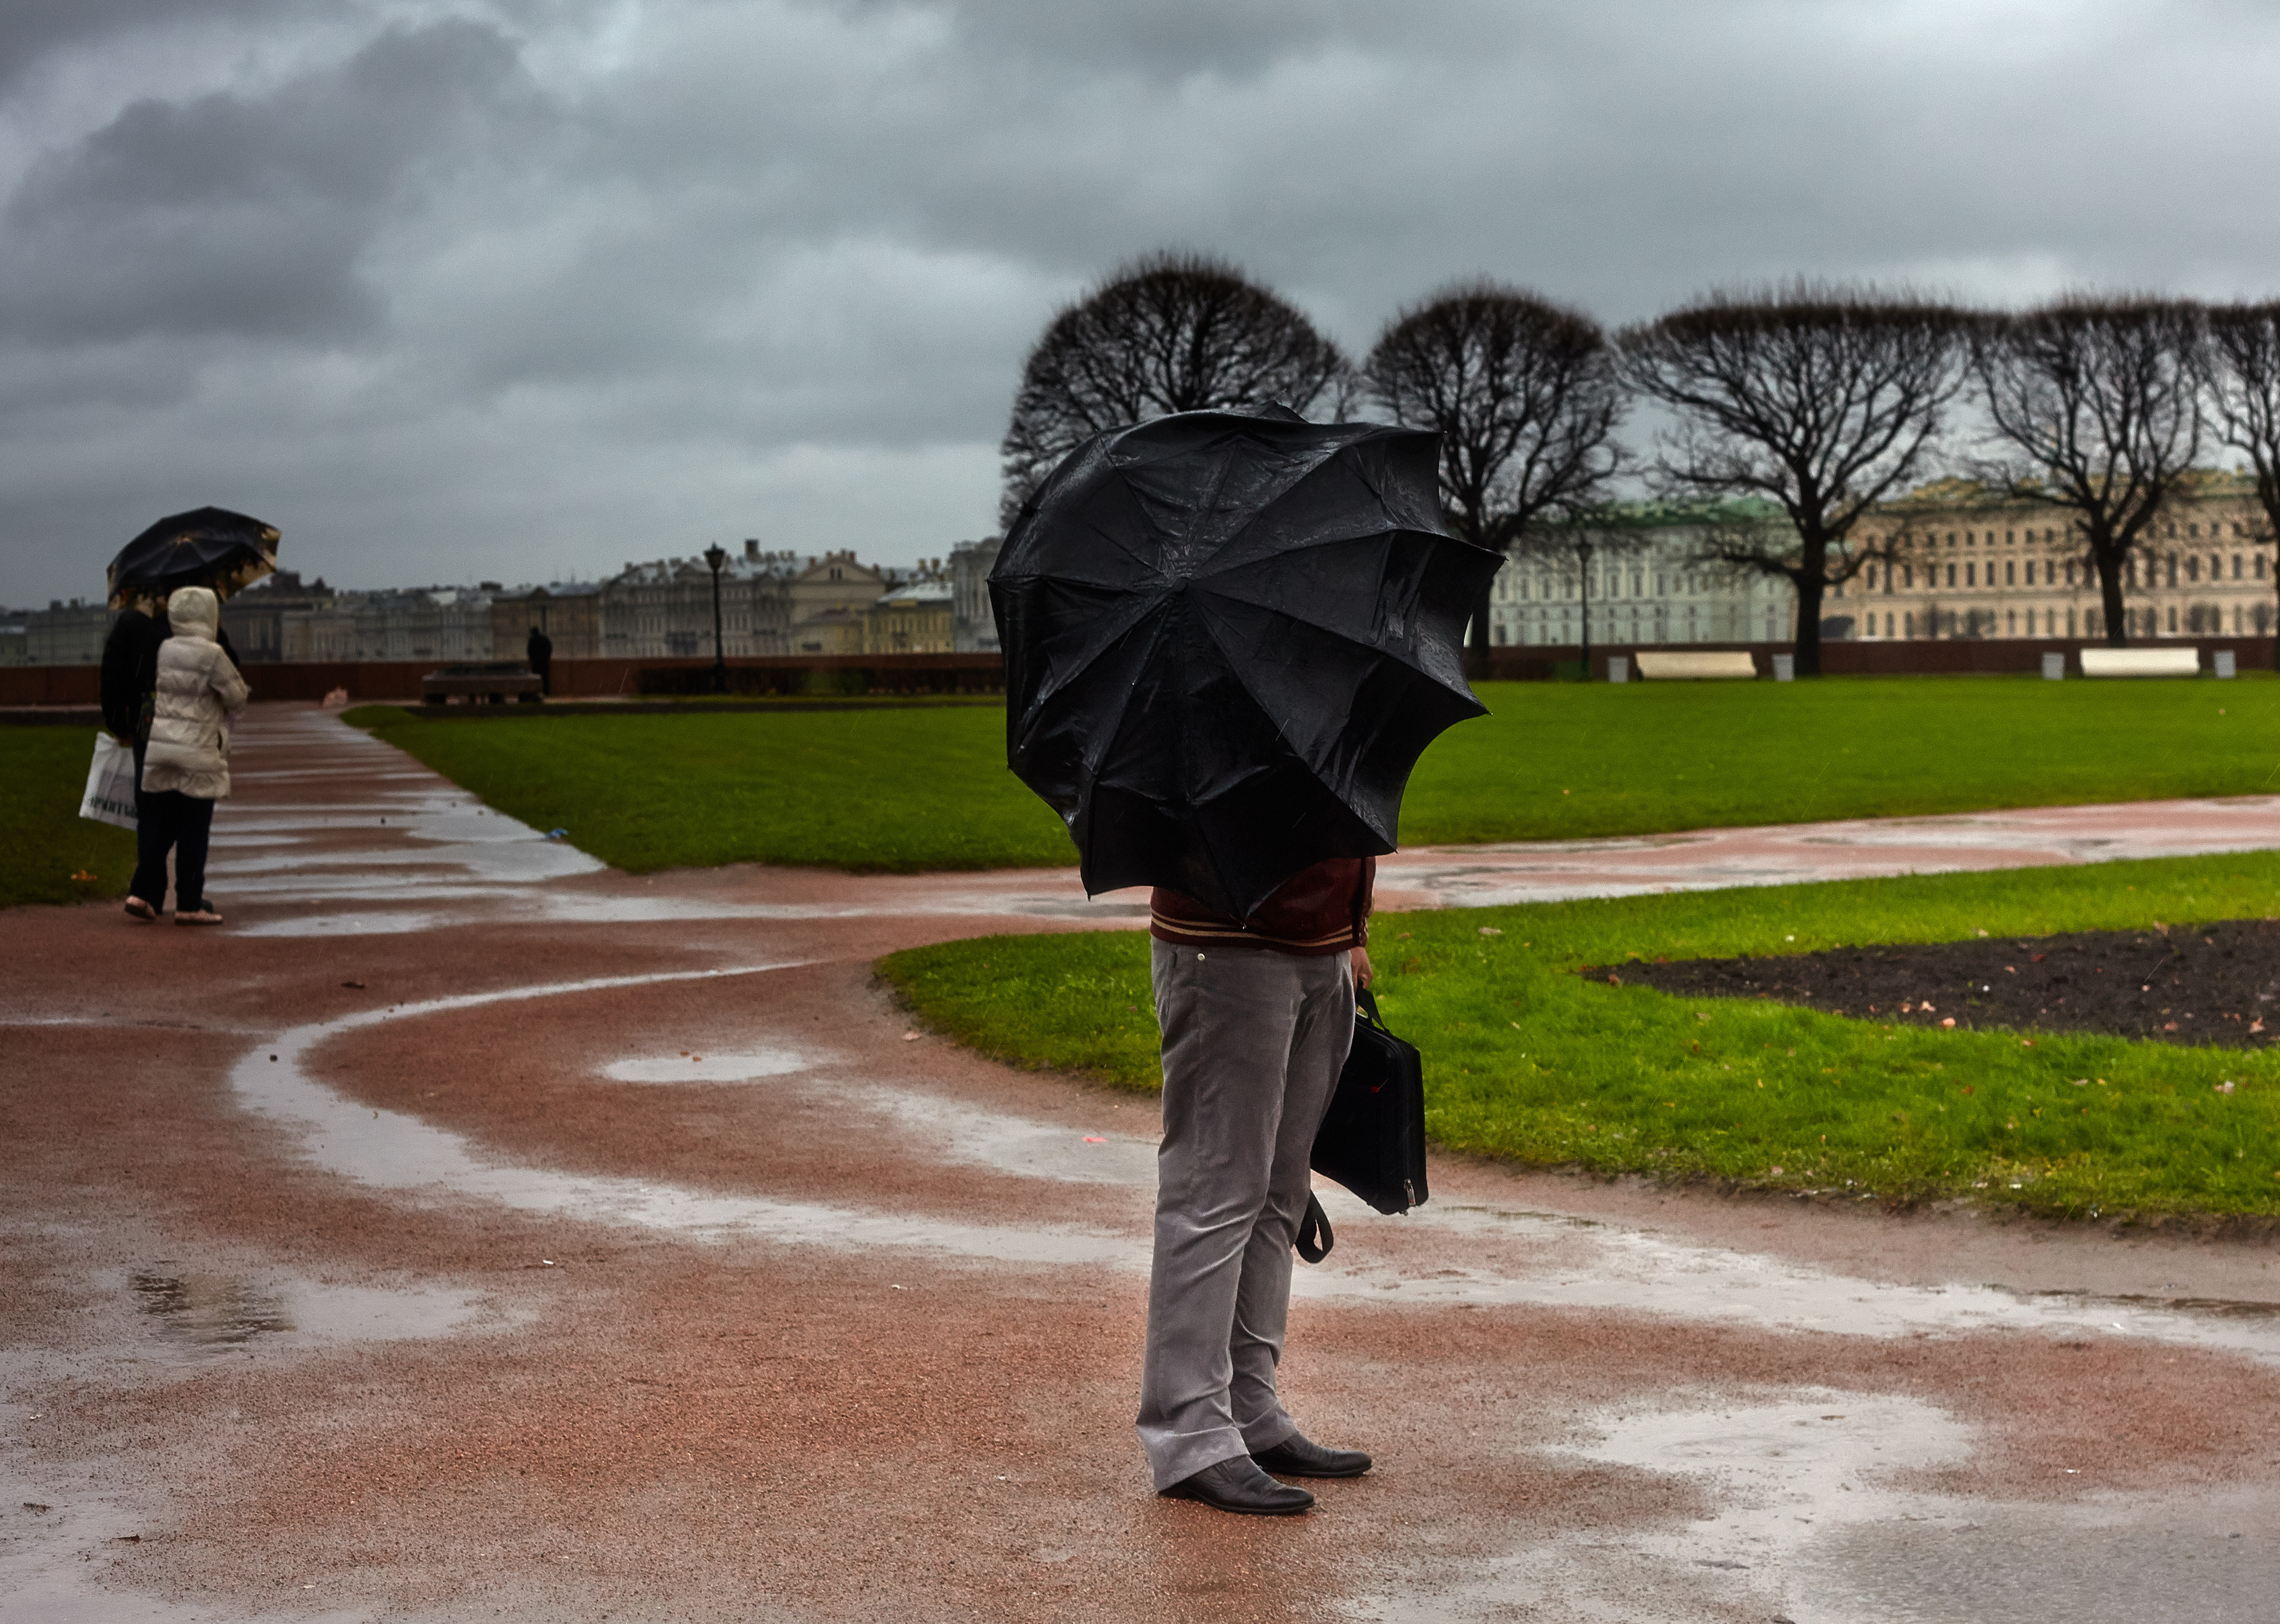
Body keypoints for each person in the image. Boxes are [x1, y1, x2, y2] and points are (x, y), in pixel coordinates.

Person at [1138, 857, 1376, 1515]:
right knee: (1213, 1194)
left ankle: (1250, 1406)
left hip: (1321, 947)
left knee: (1279, 1193)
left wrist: (1352, 931)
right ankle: (1190, 1433)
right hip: (1228, 949)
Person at [128, 587, 248, 925]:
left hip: (164, 747)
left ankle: (141, 892)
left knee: (162, 825)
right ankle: (189, 902)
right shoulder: (212, 654)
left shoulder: (166, 648)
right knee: (195, 828)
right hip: (197, 750)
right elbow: (237, 697)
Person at [526, 624, 553, 696]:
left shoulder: (532, 640)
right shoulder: (544, 639)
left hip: (536, 662)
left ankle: (537, 693)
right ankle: (547, 692)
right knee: (545, 678)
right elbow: (550, 648)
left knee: (536, 678)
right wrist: (547, 657)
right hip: (544, 661)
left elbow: (529, 651)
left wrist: (533, 659)